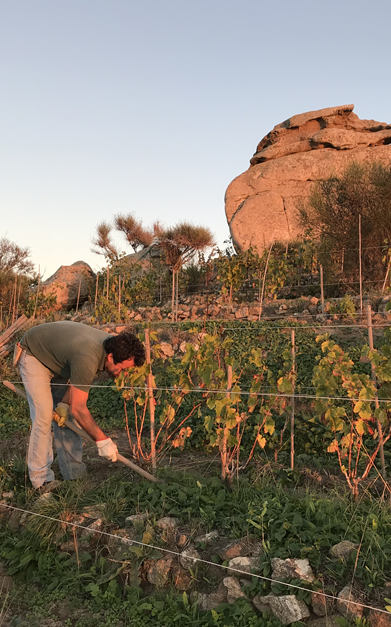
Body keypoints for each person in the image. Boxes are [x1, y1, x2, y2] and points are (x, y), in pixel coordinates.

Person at [17, 321, 145, 490]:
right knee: (44, 416)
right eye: (122, 369)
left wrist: (63, 404)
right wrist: (103, 440)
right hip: (35, 354)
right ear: (111, 358)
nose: (124, 373)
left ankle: (73, 474)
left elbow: (78, 380)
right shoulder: (88, 357)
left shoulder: (110, 348)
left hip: (59, 359)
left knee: (67, 414)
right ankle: (41, 480)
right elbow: (79, 408)